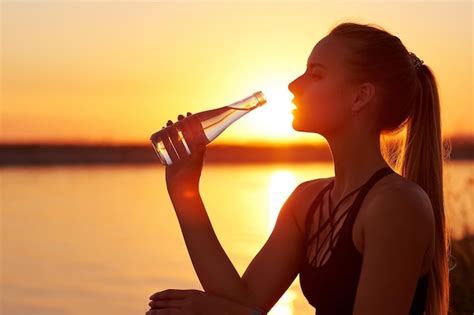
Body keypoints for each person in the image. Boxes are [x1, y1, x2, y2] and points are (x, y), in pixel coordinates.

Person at [147, 22, 451, 315]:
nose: (294, 85)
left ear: (360, 96)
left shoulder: (396, 205)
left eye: (316, 75)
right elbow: (244, 300)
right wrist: (184, 191)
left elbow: (236, 311)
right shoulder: (306, 201)